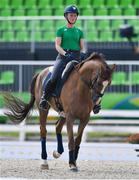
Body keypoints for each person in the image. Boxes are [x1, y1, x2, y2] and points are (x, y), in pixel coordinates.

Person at [39, 5, 86, 109]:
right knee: (54, 76)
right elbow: (57, 45)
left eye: (75, 15)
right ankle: (44, 97)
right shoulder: (61, 30)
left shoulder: (79, 32)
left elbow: (82, 47)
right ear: (66, 16)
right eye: (71, 15)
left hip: (76, 57)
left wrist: (82, 53)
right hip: (63, 56)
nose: (73, 17)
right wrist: (65, 54)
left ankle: (94, 103)